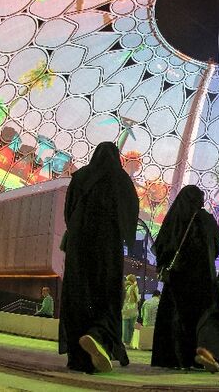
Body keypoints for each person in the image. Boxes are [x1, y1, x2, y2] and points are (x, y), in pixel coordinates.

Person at [59, 142, 140, 374]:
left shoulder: (81, 176)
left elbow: (69, 210)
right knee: (106, 294)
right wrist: (125, 235)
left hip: (78, 245)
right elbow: (131, 211)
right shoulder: (121, 179)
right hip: (107, 245)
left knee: (79, 295)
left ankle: (78, 357)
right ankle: (97, 336)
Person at [151, 185, 219, 373]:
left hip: (177, 278)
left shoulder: (174, 217)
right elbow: (216, 247)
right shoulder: (207, 220)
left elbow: (161, 246)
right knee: (206, 316)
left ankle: (179, 358)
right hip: (203, 277)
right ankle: (207, 352)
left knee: (177, 317)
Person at [122, 275, 140, 347]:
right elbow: (137, 298)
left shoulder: (124, 286)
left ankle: (125, 342)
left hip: (124, 309)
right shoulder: (134, 287)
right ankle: (128, 342)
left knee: (125, 326)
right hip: (133, 309)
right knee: (131, 327)